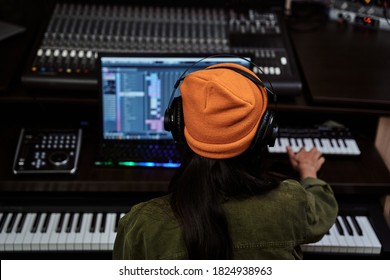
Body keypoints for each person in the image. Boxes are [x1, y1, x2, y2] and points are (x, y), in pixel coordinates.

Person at [113, 62, 338, 260]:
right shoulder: (291, 203)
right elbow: (323, 212)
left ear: (178, 124)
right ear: (265, 133)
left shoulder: (141, 225)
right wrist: (309, 171)